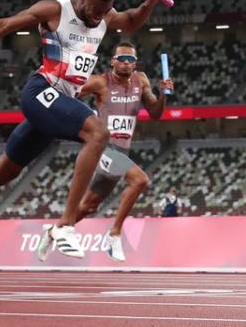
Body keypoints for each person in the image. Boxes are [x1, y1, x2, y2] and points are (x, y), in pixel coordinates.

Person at [0, 0, 167, 260]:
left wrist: (149, 3)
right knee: (98, 133)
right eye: (94, 10)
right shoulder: (55, 10)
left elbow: (131, 20)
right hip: (40, 91)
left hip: (60, 102)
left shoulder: (104, 16)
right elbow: (2, 26)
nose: (99, 17)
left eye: (105, 12)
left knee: (6, 171)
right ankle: (65, 226)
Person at [37, 41, 174, 262]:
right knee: (140, 180)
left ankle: (54, 231)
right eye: (122, 59)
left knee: (88, 206)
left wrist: (164, 94)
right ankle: (114, 234)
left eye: (130, 60)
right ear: (113, 61)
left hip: (122, 152)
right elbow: (69, 94)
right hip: (103, 148)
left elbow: (156, 113)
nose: (126, 63)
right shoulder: (101, 82)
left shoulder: (142, 81)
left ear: (135, 64)